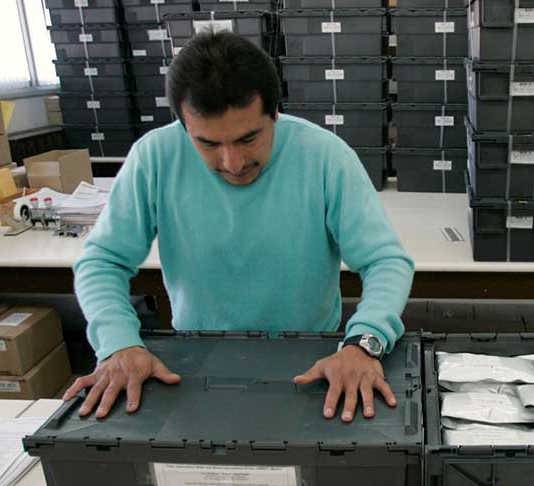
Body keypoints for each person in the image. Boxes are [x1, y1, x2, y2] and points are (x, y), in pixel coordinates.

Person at [63, 30, 414, 423]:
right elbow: (102, 262)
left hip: (311, 362)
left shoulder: (325, 156)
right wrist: (118, 343)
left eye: (248, 138)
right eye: (209, 144)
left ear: (274, 112)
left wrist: (364, 343)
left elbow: (385, 261)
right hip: (195, 363)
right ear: (182, 124)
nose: (232, 162)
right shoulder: (154, 157)